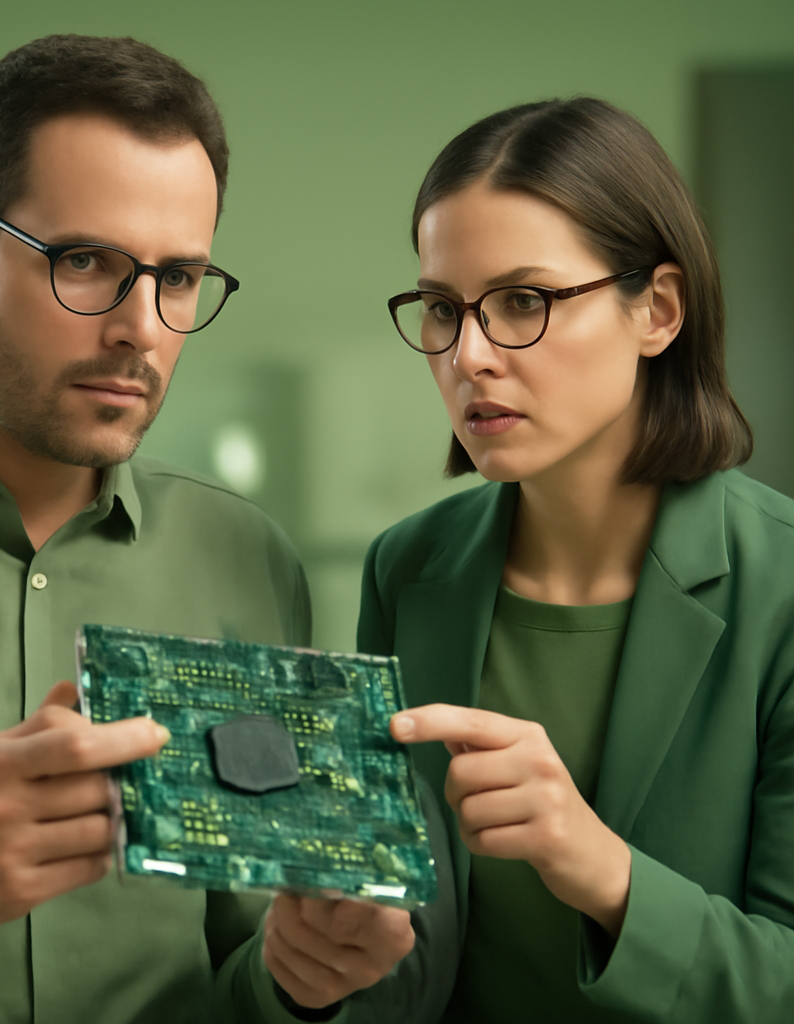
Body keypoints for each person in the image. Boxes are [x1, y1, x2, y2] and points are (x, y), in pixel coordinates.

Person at [0, 35, 418, 1024]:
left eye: (178, 278)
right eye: (85, 262)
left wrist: (300, 978)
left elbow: (243, 965)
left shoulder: (248, 558)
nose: (142, 327)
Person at [358, 97, 794, 1022]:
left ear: (659, 311)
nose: (469, 354)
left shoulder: (783, 589)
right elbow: (402, 959)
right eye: (443, 308)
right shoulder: (405, 572)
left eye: (524, 301)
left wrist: (602, 871)